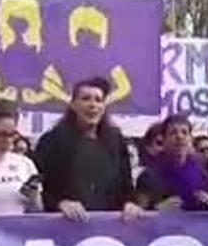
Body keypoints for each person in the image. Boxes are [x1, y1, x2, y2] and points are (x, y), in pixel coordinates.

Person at [34, 77, 140, 221]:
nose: (93, 105)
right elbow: (38, 187)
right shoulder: (52, 140)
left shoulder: (116, 141)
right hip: (65, 226)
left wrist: (130, 203)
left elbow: (126, 186)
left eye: (98, 100)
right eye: (86, 99)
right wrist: (59, 203)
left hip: (110, 229)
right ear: (73, 105)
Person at [134, 114, 208, 211]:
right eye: (173, 133)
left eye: (184, 133)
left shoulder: (201, 174)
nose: (179, 137)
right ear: (164, 140)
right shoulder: (148, 176)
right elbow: (138, 216)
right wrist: (158, 210)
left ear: (191, 140)